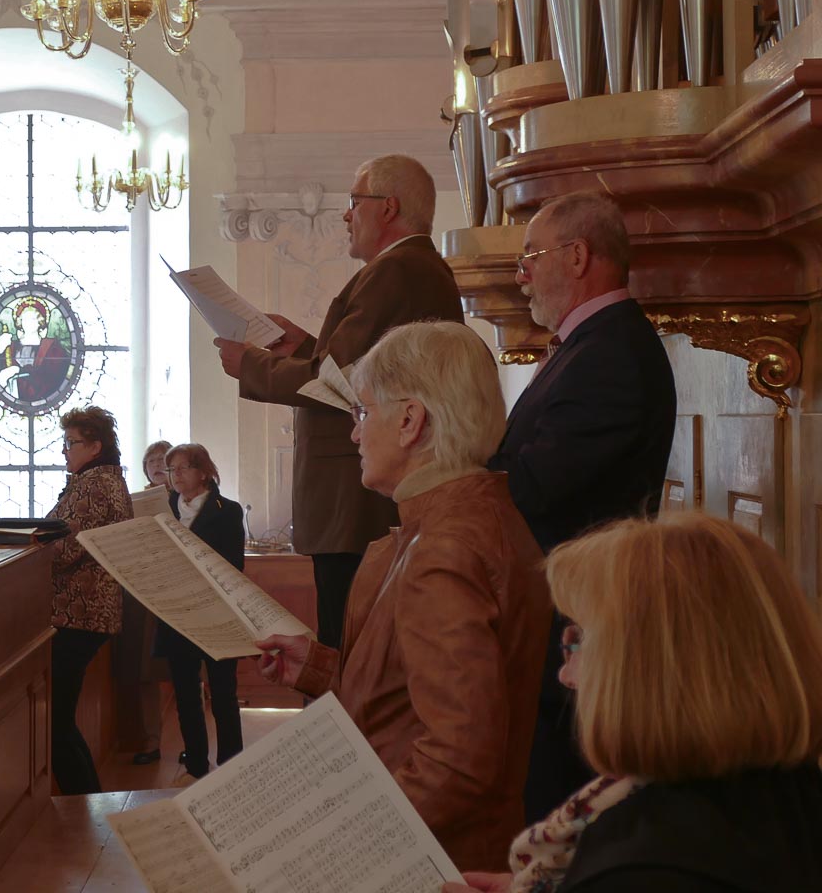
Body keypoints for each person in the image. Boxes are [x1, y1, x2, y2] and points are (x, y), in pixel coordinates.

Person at [258, 321, 550, 871]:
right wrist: (321, 668)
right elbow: (417, 696)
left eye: (363, 413)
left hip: (434, 862)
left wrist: (338, 852)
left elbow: (459, 759)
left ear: (411, 420)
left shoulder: (445, 548)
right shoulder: (464, 519)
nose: (354, 434)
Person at [442, 513, 822, 893]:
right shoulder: (785, 788)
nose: (566, 675)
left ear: (644, 670)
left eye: (579, 640)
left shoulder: (645, 866)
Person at [216, 154, 463, 649]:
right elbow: (362, 373)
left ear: (388, 208)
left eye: (354, 202)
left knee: (349, 651)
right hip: (356, 499)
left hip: (355, 502)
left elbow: (338, 386)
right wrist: (305, 347)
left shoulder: (396, 271)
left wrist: (252, 366)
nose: (346, 215)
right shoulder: (408, 269)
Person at [488, 191, 676, 820]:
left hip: (580, 612)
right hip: (560, 607)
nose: (521, 276)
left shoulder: (613, 353)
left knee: (563, 800)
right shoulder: (587, 345)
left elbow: (538, 485)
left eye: (530, 257)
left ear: (576, 256)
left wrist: (457, 472)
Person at [48, 405, 132, 794]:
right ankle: (90, 801)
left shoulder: (94, 484)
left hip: (80, 612)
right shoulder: (100, 478)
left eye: (71, 443)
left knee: (56, 722)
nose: (64, 451)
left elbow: (63, 550)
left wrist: (16, 545)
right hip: (84, 613)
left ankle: (84, 807)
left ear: (95, 446)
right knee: (60, 721)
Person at [157, 442, 245, 785]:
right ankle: (195, 762)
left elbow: (233, 564)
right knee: (185, 692)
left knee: (223, 691)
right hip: (178, 611)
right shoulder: (163, 507)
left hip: (218, 612)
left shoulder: (228, 510)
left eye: (183, 468)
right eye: (171, 469)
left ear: (203, 472)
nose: (175, 476)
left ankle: (232, 763)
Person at [115, 438, 172, 766]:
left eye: (163, 461)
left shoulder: (185, 502)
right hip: (141, 595)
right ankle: (150, 739)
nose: (157, 466)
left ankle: (194, 744)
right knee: (144, 671)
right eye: (151, 462)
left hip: (174, 592)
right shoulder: (133, 502)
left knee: (183, 671)